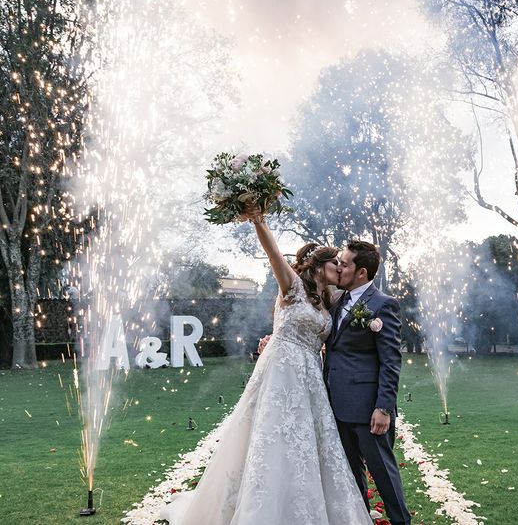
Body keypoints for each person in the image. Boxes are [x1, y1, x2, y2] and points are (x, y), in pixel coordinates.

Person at [159, 206, 371, 525]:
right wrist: (257, 216)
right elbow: (271, 248)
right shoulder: (291, 285)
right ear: (319, 263)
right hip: (281, 374)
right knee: (274, 437)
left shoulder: (327, 300)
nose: (341, 269)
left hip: (311, 378)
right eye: (336, 263)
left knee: (309, 444)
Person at [260, 240, 411, 525]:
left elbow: (391, 361)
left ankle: (402, 521)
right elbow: (307, 332)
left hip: (368, 409)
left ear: (362, 272)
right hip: (333, 405)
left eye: (345, 263)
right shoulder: (334, 301)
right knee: (350, 478)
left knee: (384, 474)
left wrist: (384, 408)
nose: (339, 268)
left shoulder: (383, 305)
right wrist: (274, 341)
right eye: (338, 262)